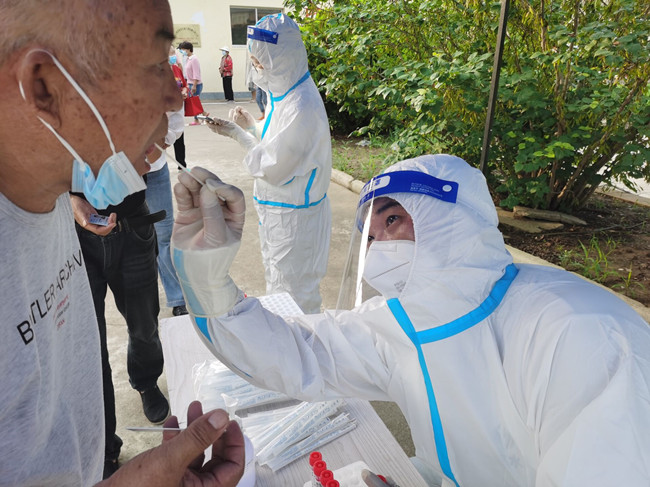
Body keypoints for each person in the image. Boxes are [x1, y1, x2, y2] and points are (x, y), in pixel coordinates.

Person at [170, 154, 650, 486]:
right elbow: (297, 354)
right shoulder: (400, 328)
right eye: (370, 235)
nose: (378, 246)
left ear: (452, 218)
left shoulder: (580, 334)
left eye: (392, 219)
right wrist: (207, 281)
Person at [0, 1, 244, 485]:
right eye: (154, 65)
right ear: (45, 86)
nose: (175, 97)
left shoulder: (46, 195)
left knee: (138, 323)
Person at [209, 13, 332, 314]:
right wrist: (253, 126)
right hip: (281, 215)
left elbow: (274, 166)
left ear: (282, 59)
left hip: (294, 220)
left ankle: (300, 343)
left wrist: (238, 135)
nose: (257, 69)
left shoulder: (301, 105)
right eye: (254, 62)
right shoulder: (286, 93)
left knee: (294, 297)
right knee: (279, 286)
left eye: (260, 63)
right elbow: (279, 142)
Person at [145, 111, 188, 317]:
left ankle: (177, 297)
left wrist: (164, 140)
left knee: (164, 235)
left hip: (154, 169)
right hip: (115, 169)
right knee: (126, 236)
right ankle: (139, 299)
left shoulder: (160, 87)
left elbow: (175, 116)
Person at [178, 41, 208, 125]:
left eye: (182, 49)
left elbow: (196, 74)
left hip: (196, 84)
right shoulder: (188, 59)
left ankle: (197, 119)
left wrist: (194, 85)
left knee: (194, 102)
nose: (181, 51)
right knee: (194, 102)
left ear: (188, 49)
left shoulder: (194, 59)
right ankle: (203, 114)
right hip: (190, 83)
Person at [169, 45, 188, 168]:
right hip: (166, 112)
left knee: (179, 139)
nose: (173, 56)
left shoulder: (176, 69)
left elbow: (184, 85)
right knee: (162, 140)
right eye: (170, 54)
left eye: (174, 53)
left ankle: (181, 164)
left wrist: (184, 91)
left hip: (178, 111)